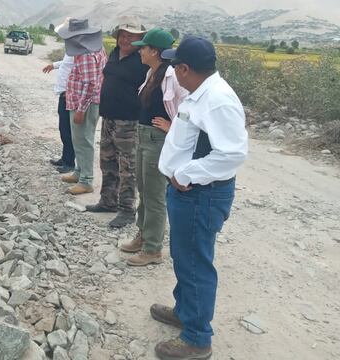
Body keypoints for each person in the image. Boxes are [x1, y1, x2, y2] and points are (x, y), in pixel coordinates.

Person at [150, 36, 248, 359]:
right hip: (188, 193)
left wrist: (185, 174)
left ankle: (197, 337)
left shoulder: (217, 100)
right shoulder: (200, 94)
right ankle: (185, 311)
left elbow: (232, 155)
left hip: (199, 195)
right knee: (184, 255)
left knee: (195, 263)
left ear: (185, 69)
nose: (174, 70)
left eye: (176, 65)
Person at [120, 28, 188, 266]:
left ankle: (153, 249)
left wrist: (174, 126)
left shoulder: (171, 75)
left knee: (154, 195)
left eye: (144, 47)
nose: (140, 51)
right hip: (145, 137)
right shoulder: (152, 72)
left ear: (155, 51)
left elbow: (189, 103)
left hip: (158, 141)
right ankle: (143, 235)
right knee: (143, 190)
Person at [85, 20, 149, 227]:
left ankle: (127, 210)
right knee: (107, 162)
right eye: (123, 34)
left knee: (127, 167)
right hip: (108, 118)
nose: (125, 39)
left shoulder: (142, 60)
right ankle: (108, 201)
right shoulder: (113, 54)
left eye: (131, 36)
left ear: (140, 39)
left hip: (129, 122)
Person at [56, 18, 108, 195]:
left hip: (84, 104)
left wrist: (80, 109)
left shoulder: (86, 54)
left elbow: (90, 84)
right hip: (85, 102)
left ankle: (86, 179)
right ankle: (79, 172)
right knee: (80, 139)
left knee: (83, 140)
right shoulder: (95, 49)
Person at [43, 42, 75, 173]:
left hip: (70, 95)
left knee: (67, 130)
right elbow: (66, 63)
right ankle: (65, 158)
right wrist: (54, 65)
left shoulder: (80, 51)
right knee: (63, 129)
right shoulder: (72, 50)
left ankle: (69, 162)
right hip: (63, 94)